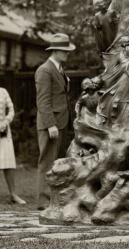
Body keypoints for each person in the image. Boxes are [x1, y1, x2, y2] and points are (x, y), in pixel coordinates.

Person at [35, 33, 75, 210]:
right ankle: (43, 201)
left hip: (61, 122)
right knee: (47, 162)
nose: (67, 54)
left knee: (58, 162)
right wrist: (50, 124)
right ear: (56, 51)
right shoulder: (45, 70)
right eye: (65, 51)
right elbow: (43, 100)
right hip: (51, 124)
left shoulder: (58, 69)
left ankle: (55, 199)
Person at [0, 87, 26, 205]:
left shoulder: (3, 91)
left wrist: (6, 122)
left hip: (4, 131)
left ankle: (13, 194)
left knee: (8, 164)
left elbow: (11, 109)